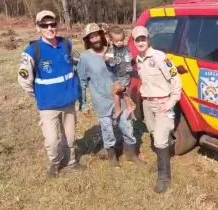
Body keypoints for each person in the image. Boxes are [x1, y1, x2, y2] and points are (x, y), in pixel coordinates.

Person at [18, 10, 85, 178]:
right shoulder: (33, 50)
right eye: (44, 25)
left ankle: (71, 162)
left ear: (57, 24)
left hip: (68, 102)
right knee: (52, 140)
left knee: (69, 138)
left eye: (52, 24)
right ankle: (55, 163)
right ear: (38, 27)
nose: (50, 28)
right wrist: (39, 96)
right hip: (47, 106)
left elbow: (79, 63)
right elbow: (24, 80)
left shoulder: (67, 44)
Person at [77, 23, 146, 168]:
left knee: (127, 126)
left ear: (102, 36)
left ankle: (131, 154)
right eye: (91, 37)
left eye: (97, 35)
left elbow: (127, 67)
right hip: (101, 100)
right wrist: (83, 102)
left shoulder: (114, 50)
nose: (95, 39)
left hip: (120, 97)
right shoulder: (85, 57)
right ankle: (112, 156)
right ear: (87, 40)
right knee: (107, 129)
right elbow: (82, 81)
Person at [131, 26, 182, 193]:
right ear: (134, 41)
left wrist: (172, 101)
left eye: (143, 39)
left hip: (162, 103)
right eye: (137, 39)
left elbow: (175, 78)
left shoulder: (160, 57)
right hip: (148, 104)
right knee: (154, 134)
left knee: (160, 139)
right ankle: (163, 162)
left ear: (148, 39)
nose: (140, 42)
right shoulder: (138, 59)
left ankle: (164, 177)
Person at [104, 25, 135, 121]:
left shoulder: (125, 48)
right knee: (122, 92)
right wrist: (107, 58)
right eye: (117, 41)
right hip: (117, 75)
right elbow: (107, 58)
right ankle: (129, 107)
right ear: (112, 40)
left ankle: (118, 109)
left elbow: (130, 57)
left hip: (123, 74)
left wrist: (130, 58)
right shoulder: (111, 49)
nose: (120, 42)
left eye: (121, 40)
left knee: (116, 92)